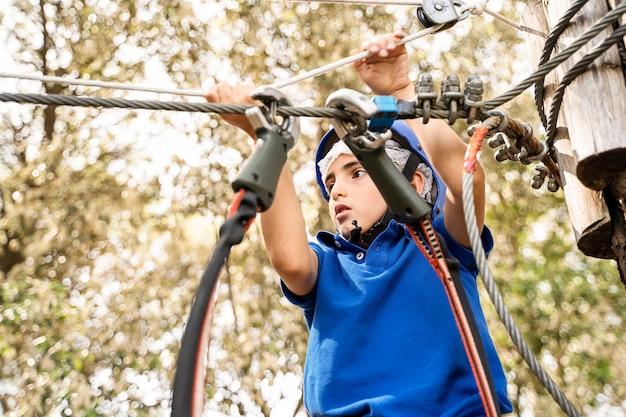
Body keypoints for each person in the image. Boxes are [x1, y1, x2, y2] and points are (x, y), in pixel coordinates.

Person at [206, 31, 512, 417]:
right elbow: (290, 261)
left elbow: (467, 181)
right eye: (331, 183)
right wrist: (267, 139)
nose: (337, 192)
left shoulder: (442, 244)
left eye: (358, 172)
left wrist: (401, 91)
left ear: (415, 183)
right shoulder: (329, 266)